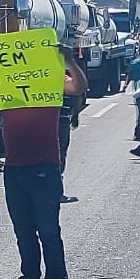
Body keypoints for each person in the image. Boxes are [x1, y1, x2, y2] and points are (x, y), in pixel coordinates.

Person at [1, 47, 88, 279]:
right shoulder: (4, 86)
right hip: (14, 169)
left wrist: (69, 60)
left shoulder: (49, 81)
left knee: (49, 233)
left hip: (43, 168)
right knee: (24, 235)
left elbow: (80, 87)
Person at [57, 44, 88, 202]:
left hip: (61, 119)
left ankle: (56, 189)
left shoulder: (62, 75)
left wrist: (75, 113)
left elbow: (79, 89)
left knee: (59, 154)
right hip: (48, 122)